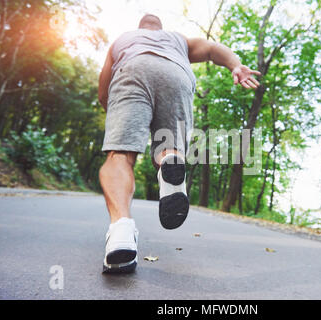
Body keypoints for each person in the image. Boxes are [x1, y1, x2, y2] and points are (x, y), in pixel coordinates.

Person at [98, 14, 260, 273]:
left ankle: (121, 232)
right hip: (177, 74)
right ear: (159, 28)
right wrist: (236, 66)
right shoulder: (178, 40)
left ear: (140, 27)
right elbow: (211, 49)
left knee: (120, 155)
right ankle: (169, 161)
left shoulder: (122, 40)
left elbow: (103, 90)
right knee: (168, 147)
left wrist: (116, 115)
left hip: (132, 70)